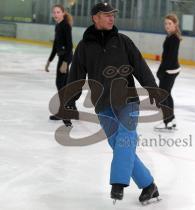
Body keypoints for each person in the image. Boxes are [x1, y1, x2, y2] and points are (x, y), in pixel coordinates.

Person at [64, 2, 164, 204]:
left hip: (127, 100)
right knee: (116, 143)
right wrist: (69, 100)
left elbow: (139, 65)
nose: (112, 18)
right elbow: (76, 76)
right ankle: (148, 185)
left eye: (113, 15)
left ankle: (118, 183)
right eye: (106, 14)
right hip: (102, 103)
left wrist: (152, 87)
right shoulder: (84, 47)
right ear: (95, 18)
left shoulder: (123, 41)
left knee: (125, 139)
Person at [45, 4, 77, 121]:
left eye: (58, 12)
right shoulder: (58, 26)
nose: (56, 14)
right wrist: (50, 60)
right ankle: (72, 108)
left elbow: (69, 45)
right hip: (62, 57)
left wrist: (65, 62)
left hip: (65, 58)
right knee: (65, 85)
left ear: (63, 13)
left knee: (61, 85)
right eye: (54, 12)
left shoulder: (65, 26)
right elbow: (55, 45)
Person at [154, 14, 182, 130]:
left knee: (163, 96)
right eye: (166, 23)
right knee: (167, 94)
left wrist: (160, 71)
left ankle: (167, 121)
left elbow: (169, 58)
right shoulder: (171, 37)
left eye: (170, 23)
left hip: (169, 70)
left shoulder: (174, 38)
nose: (167, 26)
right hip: (171, 69)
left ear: (175, 24)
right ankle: (171, 120)